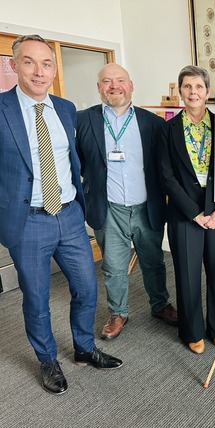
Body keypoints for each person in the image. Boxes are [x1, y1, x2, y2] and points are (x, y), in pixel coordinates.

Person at [0, 34, 122, 395]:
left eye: (47, 63)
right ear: (14, 65)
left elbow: (74, 161)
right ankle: (47, 359)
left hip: (69, 215)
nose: (39, 71)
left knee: (86, 287)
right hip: (29, 222)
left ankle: (84, 348)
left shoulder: (66, 108)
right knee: (36, 299)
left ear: (54, 69)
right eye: (29, 62)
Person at [76, 64, 177, 340]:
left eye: (120, 80)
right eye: (106, 81)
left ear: (131, 85)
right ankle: (118, 312)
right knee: (113, 266)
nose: (114, 86)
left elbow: (163, 168)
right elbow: (77, 165)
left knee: (154, 261)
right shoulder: (83, 120)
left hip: (146, 207)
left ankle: (160, 305)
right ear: (99, 88)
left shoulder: (153, 123)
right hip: (108, 209)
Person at [160, 65, 215, 354]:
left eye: (199, 87)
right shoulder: (167, 130)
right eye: (187, 87)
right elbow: (166, 177)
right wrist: (194, 212)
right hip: (184, 214)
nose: (193, 92)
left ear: (208, 92)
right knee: (187, 275)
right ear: (180, 91)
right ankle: (191, 331)